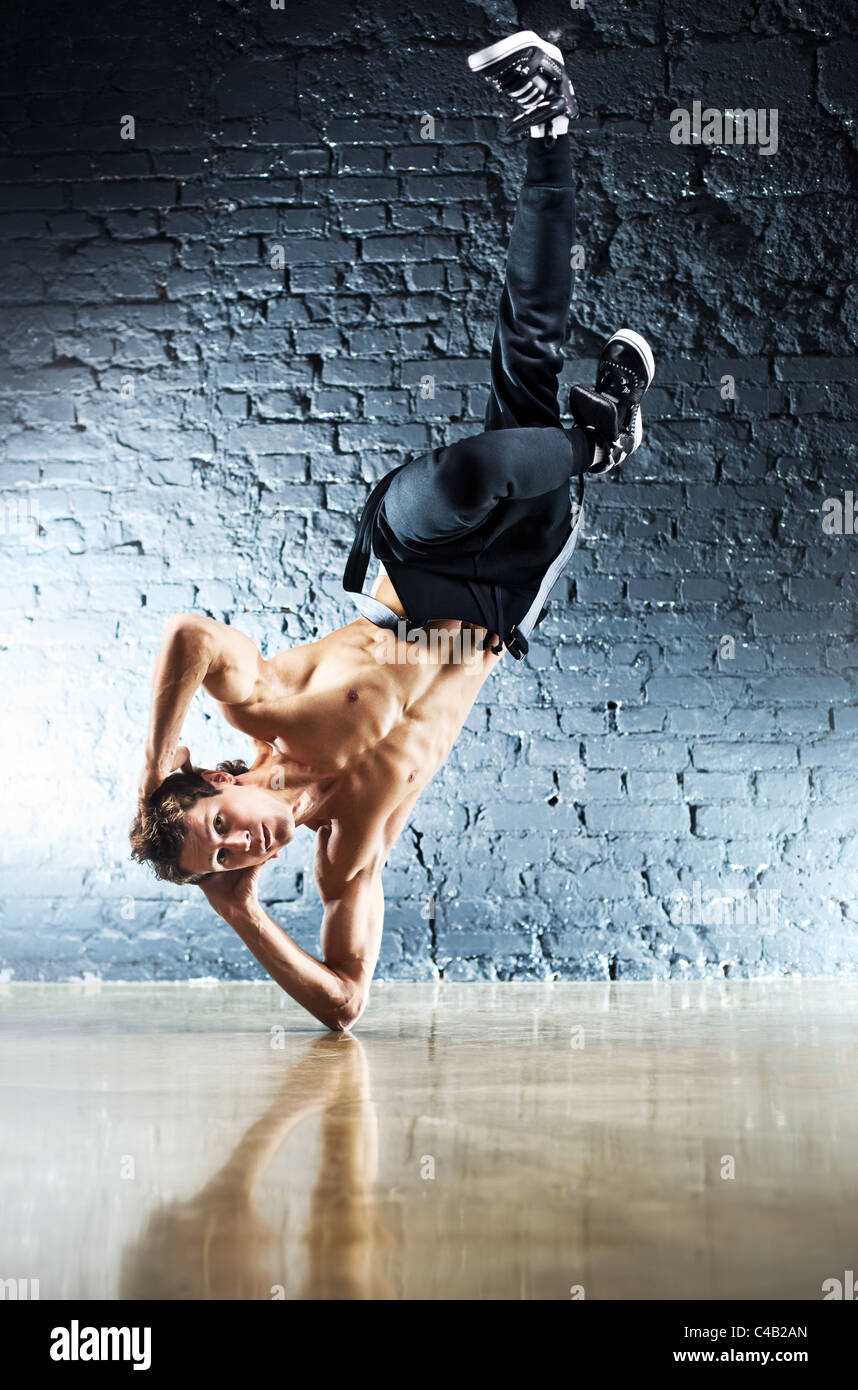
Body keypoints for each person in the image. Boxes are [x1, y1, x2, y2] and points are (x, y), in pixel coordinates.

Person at [130, 30, 655, 1033]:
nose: (242, 851)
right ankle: (602, 417)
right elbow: (345, 1003)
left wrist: (148, 767)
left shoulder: (262, 706)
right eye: (226, 864)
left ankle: (546, 126)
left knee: (465, 458)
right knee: (527, 356)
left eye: (220, 832)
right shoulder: (345, 847)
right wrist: (239, 917)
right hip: (502, 593)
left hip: (413, 564)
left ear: (217, 778)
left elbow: (190, 635)